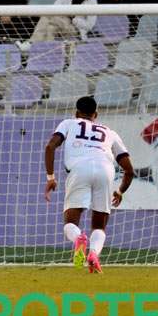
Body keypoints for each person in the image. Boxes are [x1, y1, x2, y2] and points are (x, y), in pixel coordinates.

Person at [44, 96, 134, 273]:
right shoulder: (110, 132)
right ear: (96, 114)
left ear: (76, 113)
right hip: (106, 170)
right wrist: (120, 190)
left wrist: (51, 177)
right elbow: (129, 170)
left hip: (79, 169)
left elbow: (50, 147)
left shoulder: (69, 123)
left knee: (70, 223)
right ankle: (93, 254)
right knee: (99, 225)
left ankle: (79, 239)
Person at [26, 0, 97, 44]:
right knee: (50, 28)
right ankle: (47, 50)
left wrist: (75, 20)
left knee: (46, 16)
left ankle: (30, 44)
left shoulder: (93, 2)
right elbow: (54, 8)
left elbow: (90, 25)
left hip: (75, 29)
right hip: (60, 21)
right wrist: (65, 14)